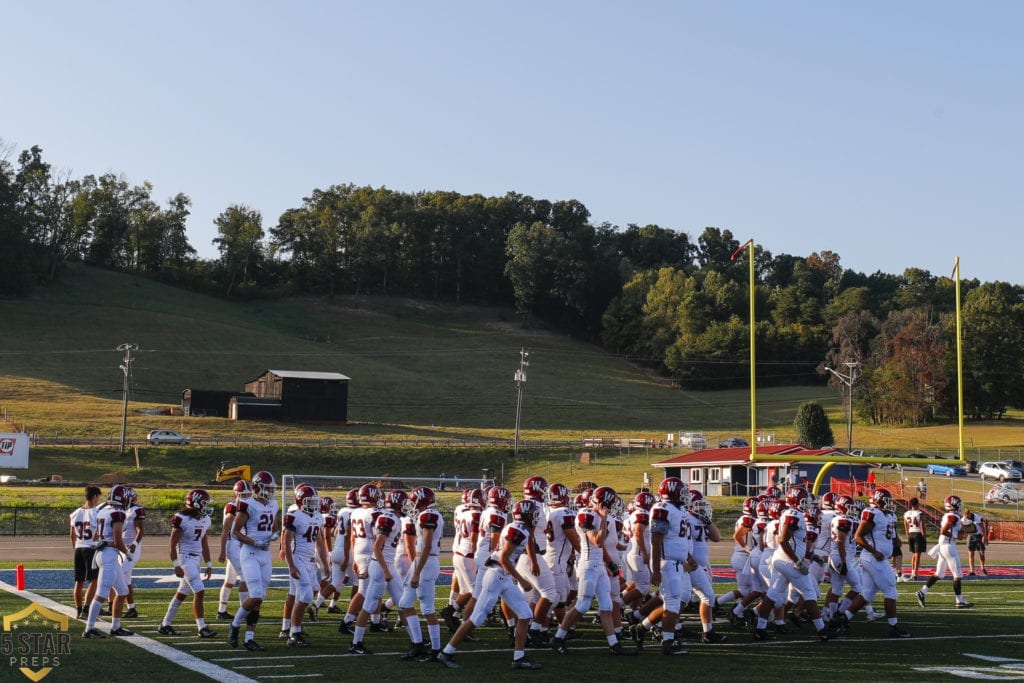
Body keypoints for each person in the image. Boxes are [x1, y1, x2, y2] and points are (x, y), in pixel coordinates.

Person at [438, 499, 544, 670]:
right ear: (526, 515)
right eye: (533, 514)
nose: (535, 517)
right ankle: (446, 652)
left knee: (525, 615)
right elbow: (503, 558)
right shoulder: (517, 530)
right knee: (476, 618)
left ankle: (519, 658)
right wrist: (522, 580)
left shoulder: (519, 528)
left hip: (504, 577)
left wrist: (533, 561)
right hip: (496, 576)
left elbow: (529, 540)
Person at [549, 486, 636, 656]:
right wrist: (603, 520)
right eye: (610, 503)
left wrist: (609, 564)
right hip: (588, 565)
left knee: (606, 605)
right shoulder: (586, 515)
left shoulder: (597, 516)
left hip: (599, 566)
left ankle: (613, 644)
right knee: (582, 604)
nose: (611, 507)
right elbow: (596, 541)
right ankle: (558, 638)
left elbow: (601, 545)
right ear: (603, 503)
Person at [229, 471, 281, 651]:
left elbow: (274, 527)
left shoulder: (274, 504)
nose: (270, 491)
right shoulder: (246, 504)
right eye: (267, 487)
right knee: (256, 594)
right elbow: (234, 532)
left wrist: (275, 534)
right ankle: (235, 624)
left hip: (265, 555)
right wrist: (254, 541)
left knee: (260, 599)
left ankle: (249, 638)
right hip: (250, 553)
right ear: (258, 487)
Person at [157, 489, 217, 638]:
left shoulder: (205, 520)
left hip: (196, 559)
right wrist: (176, 564)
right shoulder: (181, 519)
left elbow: (204, 542)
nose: (206, 506)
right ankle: (202, 627)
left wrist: (209, 564)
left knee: (182, 593)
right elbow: (172, 545)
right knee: (199, 590)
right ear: (195, 503)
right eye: (204, 503)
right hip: (185, 558)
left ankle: (165, 624)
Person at [398, 486, 444, 661]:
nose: (412, 503)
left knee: (427, 609)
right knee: (404, 603)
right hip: (420, 562)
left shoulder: (428, 516)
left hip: (426, 563)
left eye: (414, 499)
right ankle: (418, 645)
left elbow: (427, 546)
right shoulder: (427, 515)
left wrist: (416, 572)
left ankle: (436, 650)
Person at [82, 485, 134, 638]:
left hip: (104, 553)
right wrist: (128, 554)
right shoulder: (118, 514)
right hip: (109, 556)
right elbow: (118, 541)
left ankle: (116, 627)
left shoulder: (103, 510)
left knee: (123, 591)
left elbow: (98, 536)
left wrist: (109, 543)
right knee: (101, 593)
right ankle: (89, 629)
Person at [280, 483, 328, 646]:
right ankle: (294, 633)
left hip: (309, 560)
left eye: (315, 500)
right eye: (310, 500)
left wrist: (326, 565)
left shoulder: (317, 516)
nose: (314, 503)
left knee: (311, 591)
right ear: (301, 500)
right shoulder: (294, 516)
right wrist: (291, 565)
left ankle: (291, 627)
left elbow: (320, 543)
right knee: (305, 595)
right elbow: (286, 542)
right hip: (297, 557)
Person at [916, 495, 972, 608]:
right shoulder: (952, 516)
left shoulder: (952, 516)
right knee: (957, 574)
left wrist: (963, 528)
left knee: (939, 573)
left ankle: (922, 592)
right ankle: (959, 600)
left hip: (944, 546)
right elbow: (943, 531)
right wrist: (957, 534)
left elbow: (959, 534)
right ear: (955, 504)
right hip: (948, 546)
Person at [217, 480, 252, 620]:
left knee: (230, 579)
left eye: (248, 494)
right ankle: (244, 610)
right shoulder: (232, 507)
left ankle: (221, 610)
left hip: (240, 544)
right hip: (234, 545)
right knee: (246, 577)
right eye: (243, 494)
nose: (246, 497)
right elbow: (225, 530)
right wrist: (222, 550)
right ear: (236, 494)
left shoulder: (249, 506)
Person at [70, 485, 102, 619]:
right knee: (94, 580)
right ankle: (86, 609)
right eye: (98, 497)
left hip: (78, 547)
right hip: (90, 548)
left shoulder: (75, 513)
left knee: (79, 581)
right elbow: (98, 534)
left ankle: (78, 609)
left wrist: (76, 547)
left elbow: (71, 534)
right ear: (95, 497)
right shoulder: (97, 512)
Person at [118, 487, 146, 618]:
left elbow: (140, 530)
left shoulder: (136, 510)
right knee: (126, 580)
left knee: (118, 575)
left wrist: (135, 544)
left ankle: (113, 605)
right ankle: (132, 609)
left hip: (132, 548)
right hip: (122, 547)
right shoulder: (121, 510)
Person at [903, 497, 927, 580]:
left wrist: (907, 534)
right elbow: (922, 526)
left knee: (913, 554)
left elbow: (905, 524)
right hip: (918, 533)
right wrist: (924, 536)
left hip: (910, 533)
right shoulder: (919, 513)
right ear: (917, 504)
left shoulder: (906, 513)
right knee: (917, 555)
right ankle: (915, 573)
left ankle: (912, 572)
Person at [962, 506, 988, 575]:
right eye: (965, 516)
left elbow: (983, 527)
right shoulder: (963, 519)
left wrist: (984, 537)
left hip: (979, 536)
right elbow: (963, 527)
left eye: (967, 516)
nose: (966, 517)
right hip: (970, 536)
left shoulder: (977, 517)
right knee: (971, 554)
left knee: (981, 553)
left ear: (969, 514)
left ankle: (982, 568)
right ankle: (972, 571)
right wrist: (964, 534)